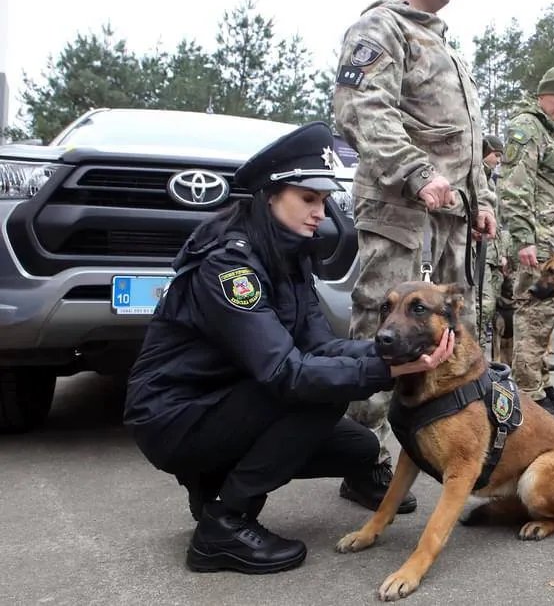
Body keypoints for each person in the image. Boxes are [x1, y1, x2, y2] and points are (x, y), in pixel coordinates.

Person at [123, 122, 454, 574]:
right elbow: (288, 373)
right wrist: (387, 372)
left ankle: (211, 485)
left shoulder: (287, 258)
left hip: (224, 400)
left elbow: (321, 344)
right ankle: (223, 523)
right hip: (175, 415)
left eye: (322, 200)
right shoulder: (230, 266)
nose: (320, 211)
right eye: (308, 198)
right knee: (318, 391)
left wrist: (397, 353)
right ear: (270, 195)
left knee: (357, 449)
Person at [332, 0, 496, 512]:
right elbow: (359, 108)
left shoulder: (446, 46)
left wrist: (484, 204)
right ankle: (366, 460)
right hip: (402, 209)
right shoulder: (381, 28)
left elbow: (465, 142)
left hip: (451, 218)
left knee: (451, 335)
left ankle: (448, 442)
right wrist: (415, 171)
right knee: (386, 331)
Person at [498, 66, 554, 424]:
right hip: (539, 239)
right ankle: (528, 396)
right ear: (542, 95)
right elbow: (514, 185)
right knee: (532, 313)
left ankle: (542, 384)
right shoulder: (527, 127)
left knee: (545, 317)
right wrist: (524, 237)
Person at [478, 133, 507, 351]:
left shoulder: (491, 181)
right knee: (483, 306)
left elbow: (498, 224)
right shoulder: (477, 176)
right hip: (479, 254)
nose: (498, 160)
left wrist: (502, 254)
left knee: (492, 307)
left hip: (493, 254)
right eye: (495, 155)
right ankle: (475, 351)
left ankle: (488, 360)